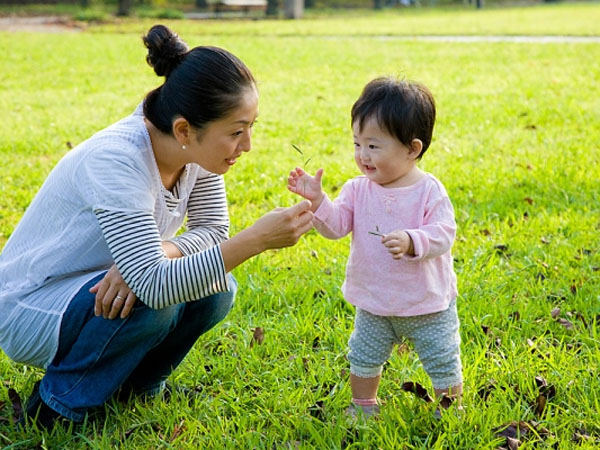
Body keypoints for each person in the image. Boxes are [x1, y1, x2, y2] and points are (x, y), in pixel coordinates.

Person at [0, 24, 314, 429]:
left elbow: (214, 232)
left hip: (91, 287)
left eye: (251, 127)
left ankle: (138, 387)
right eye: (237, 132)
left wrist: (161, 254)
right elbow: (156, 285)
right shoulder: (117, 160)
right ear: (184, 129)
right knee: (158, 299)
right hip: (31, 305)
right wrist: (255, 241)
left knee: (215, 287)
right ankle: (57, 405)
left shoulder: (195, 154)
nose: (247, 145)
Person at [287, 77, 462, 418]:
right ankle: (364, 405)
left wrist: (414, 240)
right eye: (357, 144)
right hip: (374, 301)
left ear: (412, 149)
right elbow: (336, 226)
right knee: (363, 356)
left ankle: (450, 408)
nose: (362, 156)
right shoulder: (357, 189)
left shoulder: (429, 191)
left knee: (442, 358)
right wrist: (319, 201)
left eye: (373, 146)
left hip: (425, 303)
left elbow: (444, 233)